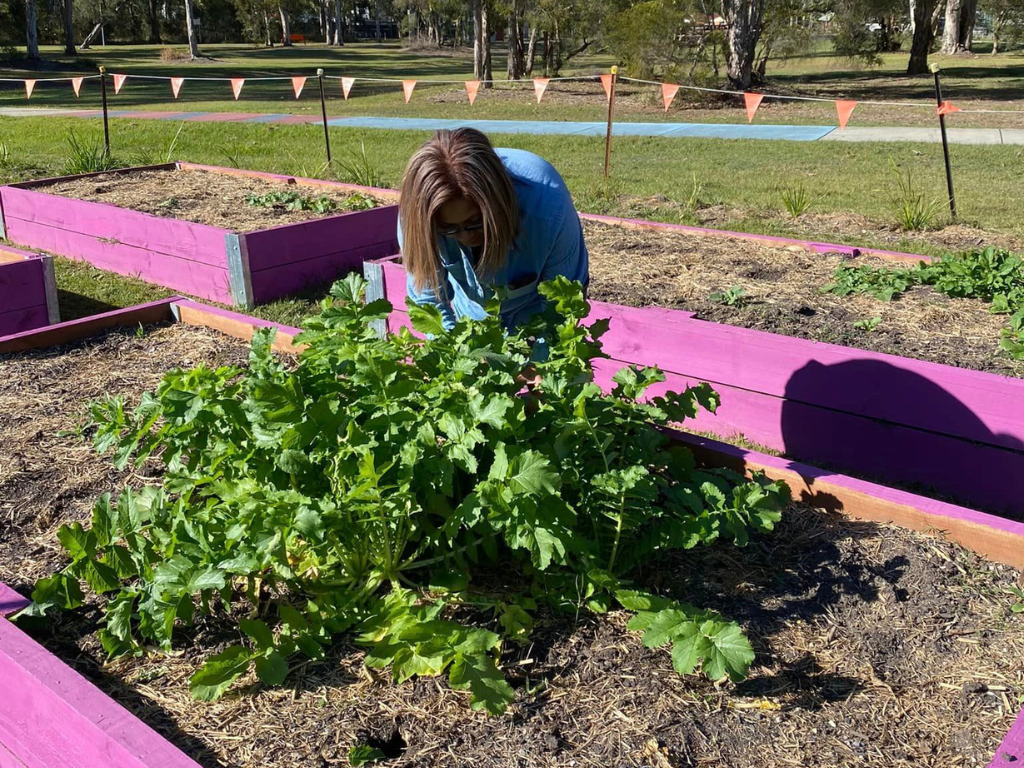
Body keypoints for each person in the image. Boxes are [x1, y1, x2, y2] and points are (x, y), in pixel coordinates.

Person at [397, 128, 589, 336]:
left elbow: (562, 306)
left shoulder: (548, 208)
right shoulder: (418, 217)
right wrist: (454, 353)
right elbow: (428, 303)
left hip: (535, 318)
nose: (465, 236)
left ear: (497, 205)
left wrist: (538, 360)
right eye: (449, 228)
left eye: (475, 222)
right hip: (472, 319)